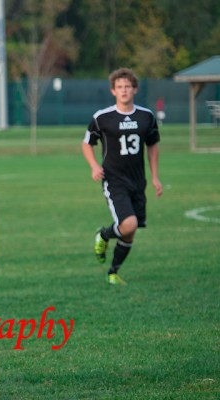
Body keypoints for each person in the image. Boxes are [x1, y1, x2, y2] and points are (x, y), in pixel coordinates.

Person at [82, 68, 163, 285]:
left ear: (135, 89)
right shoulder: (103, 117)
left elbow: (153, 145)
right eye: (120, 87)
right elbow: (87, 142)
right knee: (129, 224)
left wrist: (155, 177)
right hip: (114, 180)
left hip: (138, 181)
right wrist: (93, 166)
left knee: (130, 233)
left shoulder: (146, 116)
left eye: (128, 86)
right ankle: (104, 235)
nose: (124, 90)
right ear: (113, 90)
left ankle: (113, 272)